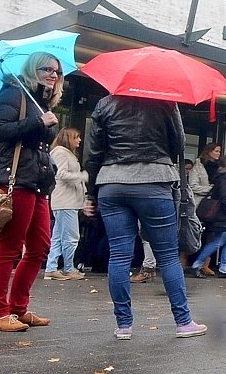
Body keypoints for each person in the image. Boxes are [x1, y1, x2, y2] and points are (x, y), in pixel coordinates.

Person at [84, 94, 207, 340]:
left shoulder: (105, 103)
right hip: (154, 181)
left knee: (119, 255)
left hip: (112, 182)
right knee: (168, 255)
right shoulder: (165, 101)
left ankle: (124, 325)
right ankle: (183, 322)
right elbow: (179, 146)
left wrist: (92, 193)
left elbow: (94, 152)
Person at [0, 51, 61, 332]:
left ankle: (18, 308)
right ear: (32, 69)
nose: (53, 75)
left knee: (40, 248)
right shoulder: (14, 93)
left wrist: (44, 121)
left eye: (57, 72)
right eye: (47, 69)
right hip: (16, 180)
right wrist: (39, 122)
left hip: (37, 182)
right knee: (10, 247)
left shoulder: (41, 102)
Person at [44, 127, 88, 281]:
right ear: (68, 138)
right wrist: (81, 176)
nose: (79, 140)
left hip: (66, 201)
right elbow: (60, 174)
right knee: (71, 236)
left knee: (58, 236)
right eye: (76, 137)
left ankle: (51, 267)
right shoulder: (61, 153)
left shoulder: (63, 153)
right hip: (66, 201)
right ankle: (68, 268)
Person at [192, 155, 226, 279]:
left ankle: (223, 268)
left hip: (222, 214)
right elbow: (224, 197)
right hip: (222, 215)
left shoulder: (221, 176)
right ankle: (198, 264)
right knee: (219, 241)